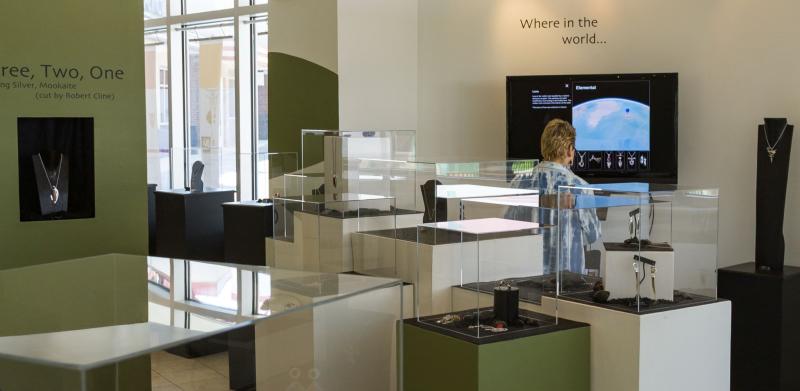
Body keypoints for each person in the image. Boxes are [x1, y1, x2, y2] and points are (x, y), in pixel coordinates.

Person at [507, 119, 600, 275]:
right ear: (570, 150)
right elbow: (592, 235)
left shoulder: (518, 182)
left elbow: (508, 228)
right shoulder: (580, 187)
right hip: (567, 284)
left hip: (526, 279)